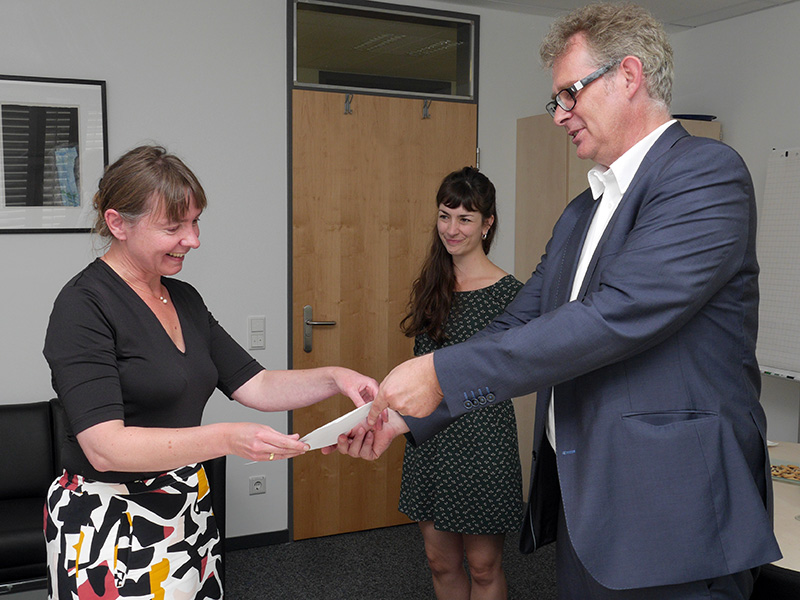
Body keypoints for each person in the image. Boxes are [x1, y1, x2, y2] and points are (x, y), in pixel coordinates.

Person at [341, 3, 782, 598]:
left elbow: (615, 317)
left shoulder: (704, 174)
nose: (560, 115)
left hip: (672, 509)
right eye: (558, 100)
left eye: (569, 94)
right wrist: (407, 412)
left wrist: (441, 370)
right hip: (588, 498)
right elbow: (522, 320)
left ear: (629, 76)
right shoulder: (583, 209)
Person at [43, 145, 378, 600]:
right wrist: (226, 439)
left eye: (195, 221)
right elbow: (104, 448)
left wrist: (335, 377)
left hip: (183, 504)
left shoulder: (183, 298)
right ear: (118, 223)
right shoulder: (82, 307)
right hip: (107, 519)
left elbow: (255, 384)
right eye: (173, 227)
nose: (193, 239)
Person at [398, 167, 523, 600]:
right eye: (445, 216)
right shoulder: (433, 284)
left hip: (483, 441)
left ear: (487, 224)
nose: (452, 229)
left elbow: (513, 372)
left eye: (465, 219)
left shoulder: (511, 293)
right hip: (430, 437)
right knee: (440, 561)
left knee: (484, 566)